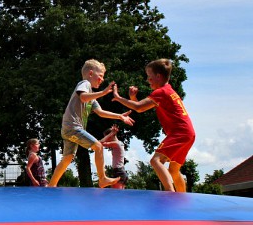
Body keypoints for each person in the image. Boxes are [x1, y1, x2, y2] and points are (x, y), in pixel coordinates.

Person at [48, 59, 135, 188]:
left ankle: (52, 185)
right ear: (90, 73)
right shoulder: (85, 84)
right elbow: (83, 97)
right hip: (73, 126)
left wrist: (120, 116)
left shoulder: (91, 96)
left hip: (68, 128)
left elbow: (100, 112)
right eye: (100, 76)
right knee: (98, 146)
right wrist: (104, 93)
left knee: (67, 158)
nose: (102, 80)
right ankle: (102, 179)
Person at [112, 59, 196, 192]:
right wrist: (133, 98)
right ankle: (182, 198)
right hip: (188, 133)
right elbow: (141, 106)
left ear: (158, 76)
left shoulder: (161, 92)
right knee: (174, 170)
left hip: (179, 132)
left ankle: (170, 193)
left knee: (156, 161)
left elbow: (139, 108)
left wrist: (117, 97)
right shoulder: (169, 91)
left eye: (149, 76)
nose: (147, 80)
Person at [99, 124, 127, 189]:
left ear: (111, 136)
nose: (106, 139)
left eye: (106, 137)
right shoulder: (119, 143)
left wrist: (110, 134)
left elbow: (100, 143)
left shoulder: (117, 144)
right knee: (118, 195)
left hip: (119, 172)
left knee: (116, 196)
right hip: (120, 171)